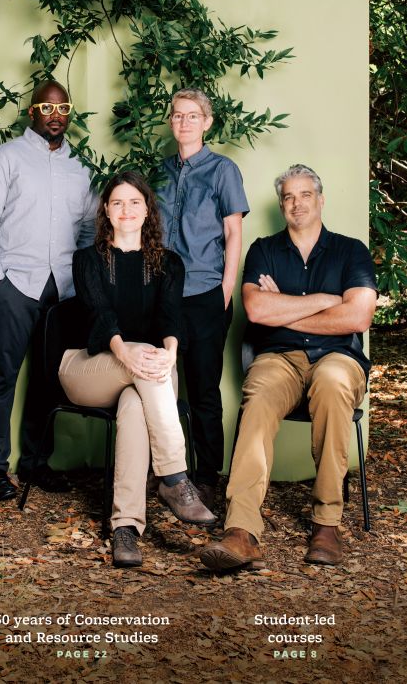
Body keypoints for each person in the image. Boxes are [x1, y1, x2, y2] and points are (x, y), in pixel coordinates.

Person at [200, 164, 377, 570]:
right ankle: (241, 531)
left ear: (320, 199)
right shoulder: (263, 249)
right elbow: (256, 309)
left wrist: (285, 311)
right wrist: (327, 299)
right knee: (258, 397)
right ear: (282, 204)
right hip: (278, 359)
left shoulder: (351, 251)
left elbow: (358, 318)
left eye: (305, 195)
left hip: (337, 357)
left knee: (333, 385)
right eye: (288, 197)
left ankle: (327, 524)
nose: (297, 204)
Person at [60, 171, 215, 569]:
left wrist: (170, 352)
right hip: (89, 369)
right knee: (145, 367)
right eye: (117, 203)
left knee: (133, 407)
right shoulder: (87, 260)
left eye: (134, 202)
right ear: (106, 212)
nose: (126, 210)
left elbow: (171, 319)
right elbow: (100, 314)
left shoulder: (169, 264)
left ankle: (124, 528)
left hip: (148, 374)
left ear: (147, 210)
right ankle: (175, 477)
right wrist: (125, 351)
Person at [0, 80, 97, 501]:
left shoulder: (81, 166)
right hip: (15, 284)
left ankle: (36, 463)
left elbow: (87, 229)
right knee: (0, 377)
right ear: (32, 112)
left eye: (63, 107)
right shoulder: (5, 157)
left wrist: (81, 282)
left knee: (49, 379)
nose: (56, 114)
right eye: (47, 108)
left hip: (62, 288)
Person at [158, 88, 249, 512]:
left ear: (207, 122)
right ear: (171, 121)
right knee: (163, 389)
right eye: (178, 116)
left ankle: (207, 476)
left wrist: (225, 290)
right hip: (164, 296)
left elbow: (233, 234)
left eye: (193, 116)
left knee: (204, 391)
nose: (184, 122)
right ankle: (169, 476)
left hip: (205, 293)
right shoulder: (159, 173)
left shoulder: (222, 170)